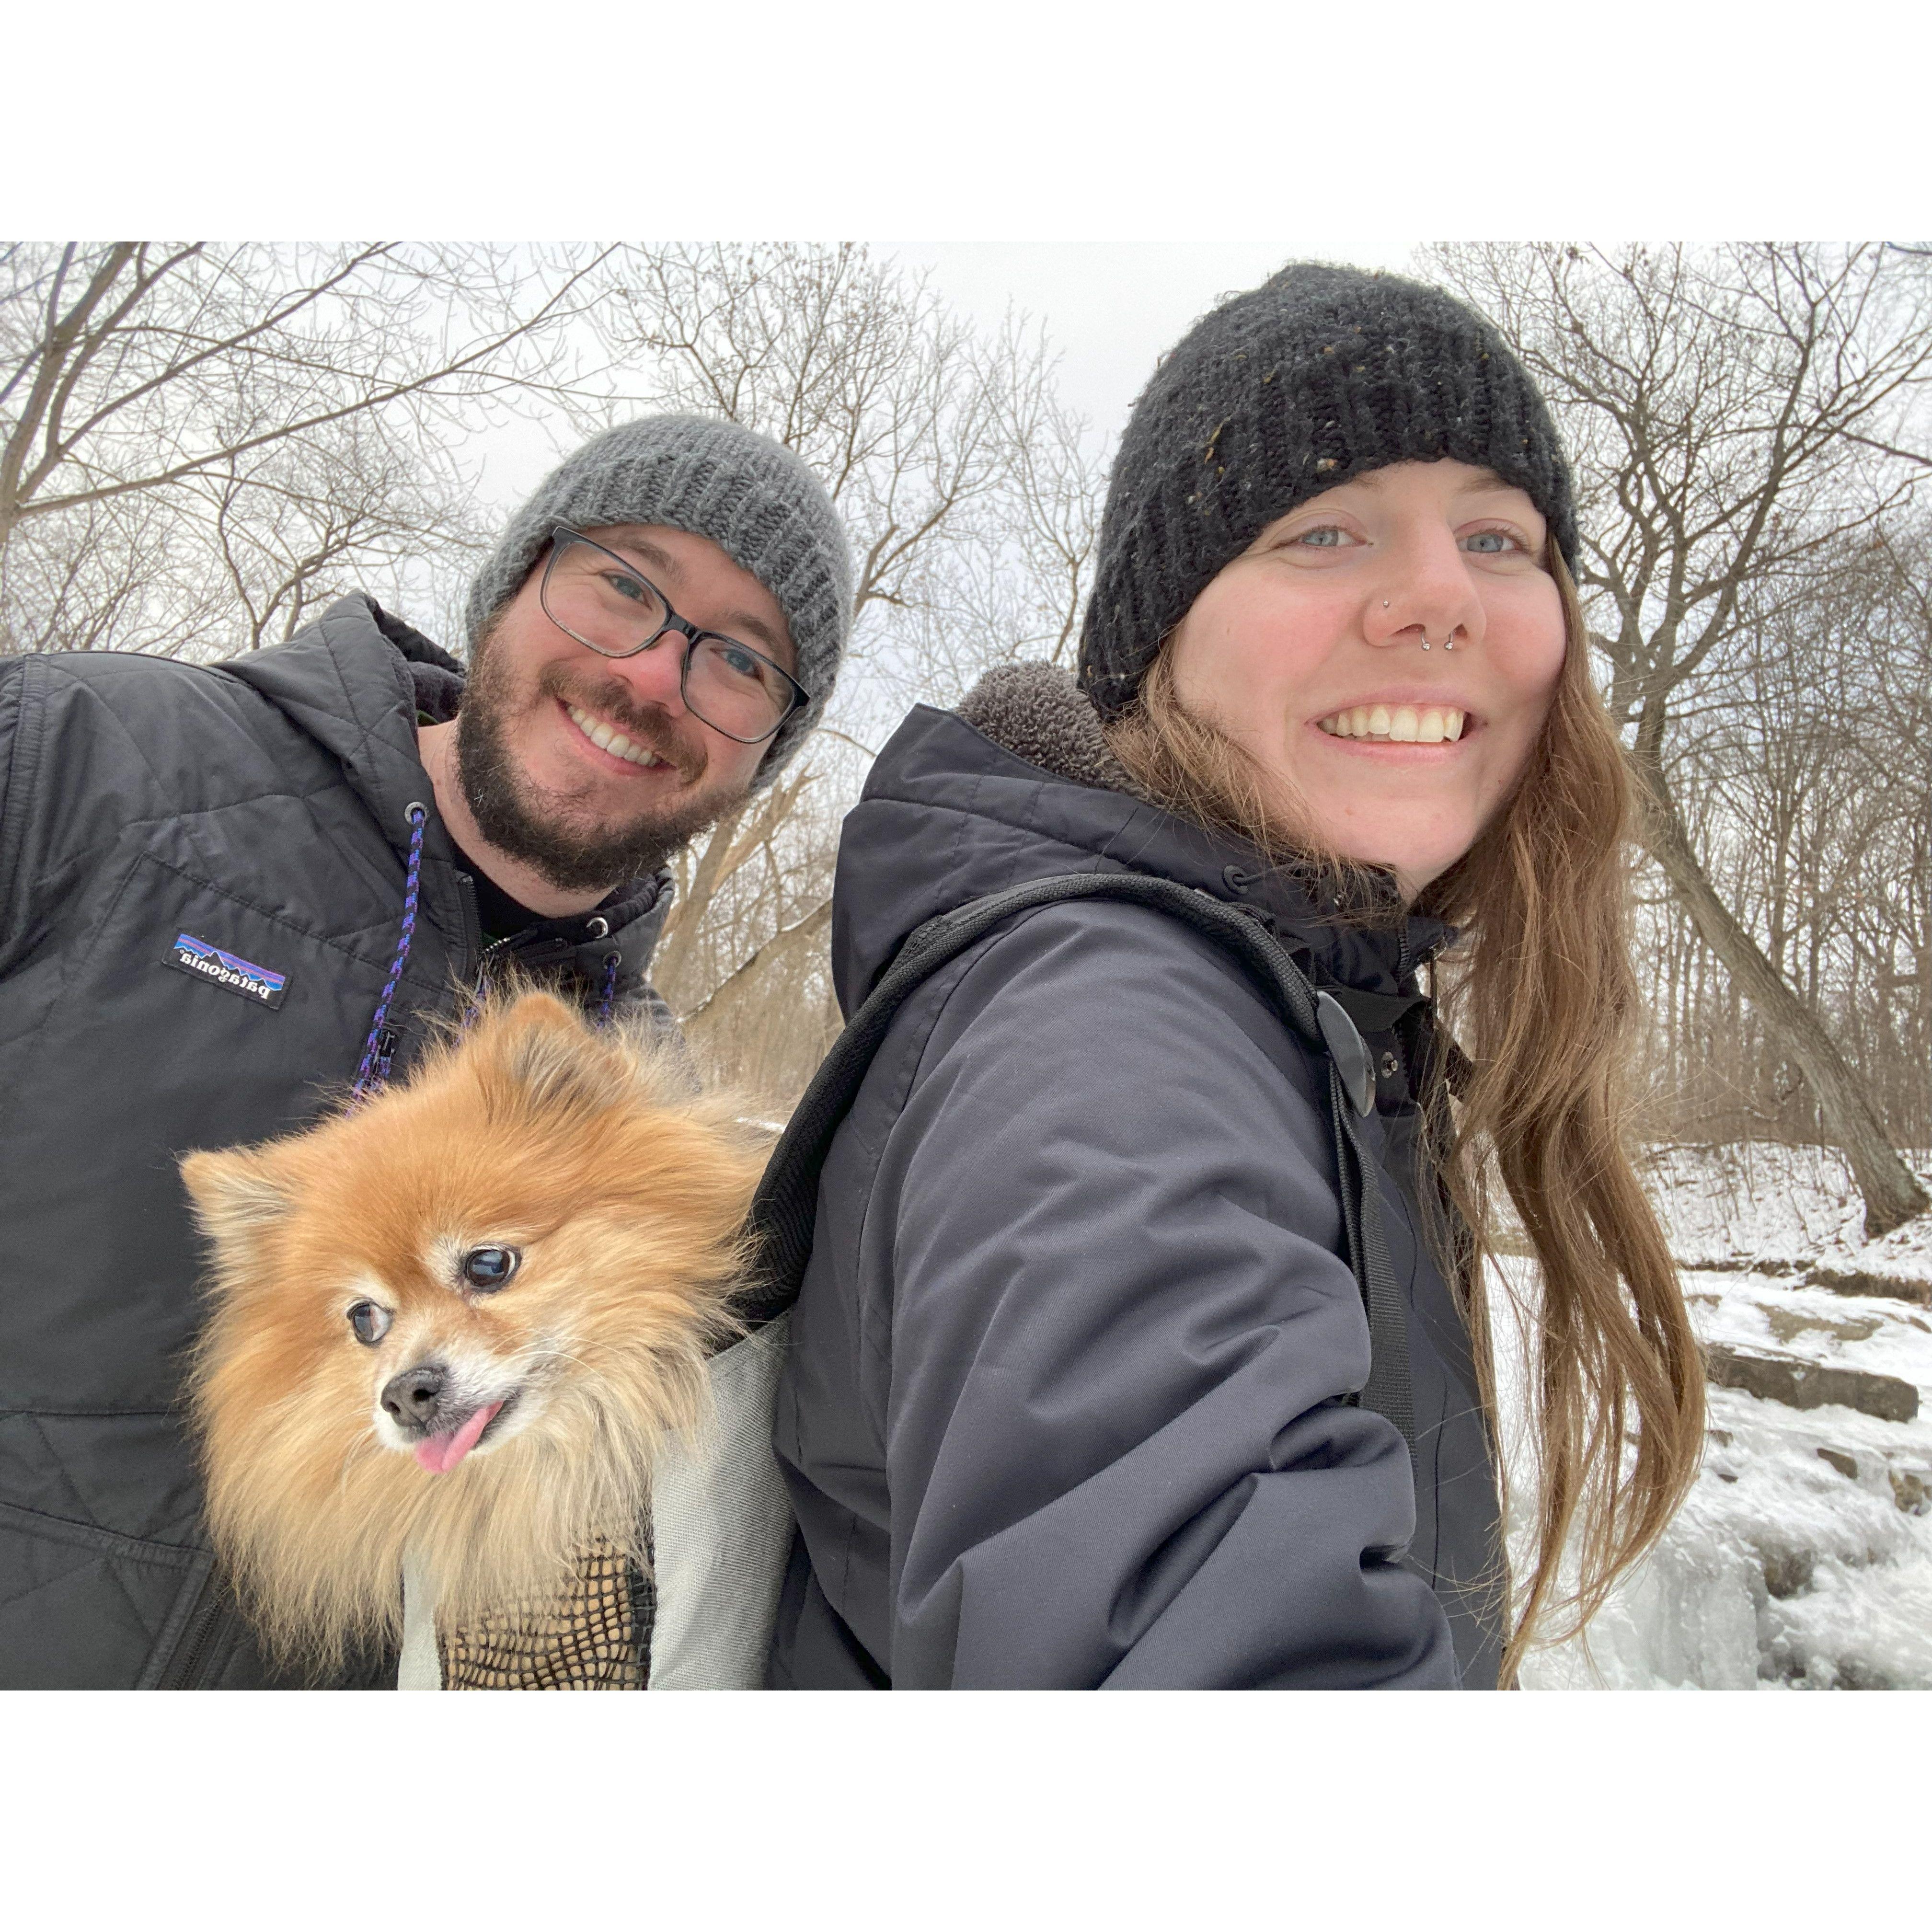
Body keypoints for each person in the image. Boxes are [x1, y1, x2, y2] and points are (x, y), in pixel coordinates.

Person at [768, 264, 1703, 1690]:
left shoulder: (1318, 1000)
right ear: (1159, 637)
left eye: (1501, 540)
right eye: (1325, 529)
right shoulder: (1103, 1032)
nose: (1440, 596)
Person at [0, 413, 853, 1688]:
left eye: (739, 660)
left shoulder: (650, 1103)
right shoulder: (85, 757)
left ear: (766, 744)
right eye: (624, 583)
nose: (655, 678)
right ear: (514, 581)